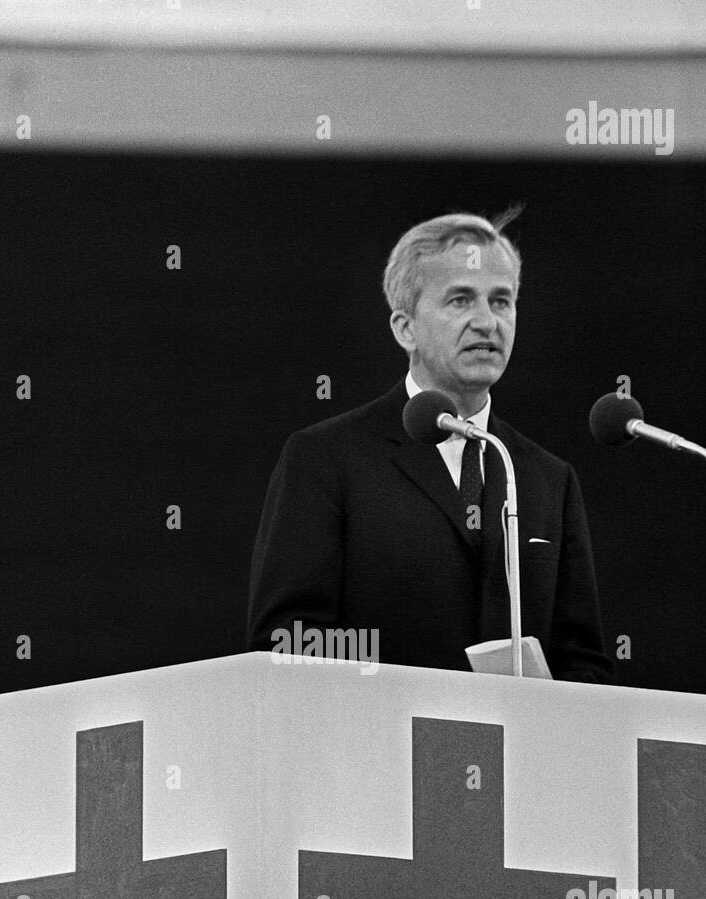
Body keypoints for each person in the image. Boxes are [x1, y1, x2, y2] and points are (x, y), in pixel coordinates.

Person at [247, 211, 615, 681]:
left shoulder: (547, 477)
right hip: (377, 744)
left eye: (501, 301)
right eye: (461, 300)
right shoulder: (328, 457)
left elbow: (581, 659)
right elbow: (288, 638)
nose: (487, 322)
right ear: (406, 328)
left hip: (519, 748)